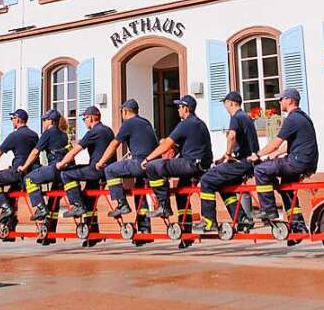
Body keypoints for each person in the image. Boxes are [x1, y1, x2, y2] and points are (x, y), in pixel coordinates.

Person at [250, 88, 318, 242]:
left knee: (261, 170)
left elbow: (276, 142)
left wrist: (258, 155)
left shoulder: (292, 119)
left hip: (297, 162)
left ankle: (269, 210)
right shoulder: (303, 117)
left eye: (281, 99)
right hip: (305, 161)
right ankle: (298, 225)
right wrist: (276, 154)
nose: (279, 101)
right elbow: (291, 144)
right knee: (287, 189)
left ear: (290, 100)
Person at [144, 95, 213, 240]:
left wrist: (147, 159)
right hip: (201, 165)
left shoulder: (185, 124)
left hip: (190, 164)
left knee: (152, 167)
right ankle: (185, 227)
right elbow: (190, 145)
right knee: (181, 192)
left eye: (179, 107)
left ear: (186, 108)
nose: (178, 110)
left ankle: (163, 204)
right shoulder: (200, 123)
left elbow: (166, 145)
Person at [194, 91, 258, 235]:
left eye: (225, 104)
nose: (225, 107)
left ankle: (209, 221)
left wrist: (228, 154)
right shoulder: (245, 117)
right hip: (248, 162)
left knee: (207, 180)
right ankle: (242, 219)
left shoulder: (236, 117)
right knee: (220, 183)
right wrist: (225, 157)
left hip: (242, 162)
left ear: (231, 103)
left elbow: (232, 136)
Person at [98, 99, 157, 234]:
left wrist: (101, 162)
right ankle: (145, 229)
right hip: (151, 164)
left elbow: (114, 144)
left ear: (125, 111)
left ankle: (121, 204)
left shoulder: (128, 123)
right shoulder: (146, 122)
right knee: (140, 189)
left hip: (139, 162)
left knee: (110, 170)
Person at [0, 110, 38, 227]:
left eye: (12, 119)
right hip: (31, 172)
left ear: (18, 119)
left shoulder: (15, 135)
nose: (12, 121)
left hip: (18, 172)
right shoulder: (34, 135)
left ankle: (4, 208)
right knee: (11, 193)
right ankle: (9, 225)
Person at [21, 109, 71, 243]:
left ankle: (39, 207)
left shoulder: (48, 133)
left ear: (50, 121)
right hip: (63, 171)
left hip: (54, 168)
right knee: (54, 202)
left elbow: (35, 152)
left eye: (44, 119)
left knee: (29, 179)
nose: (43, 122)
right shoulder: (64, 135)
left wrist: (25, 167)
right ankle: (49, 234)